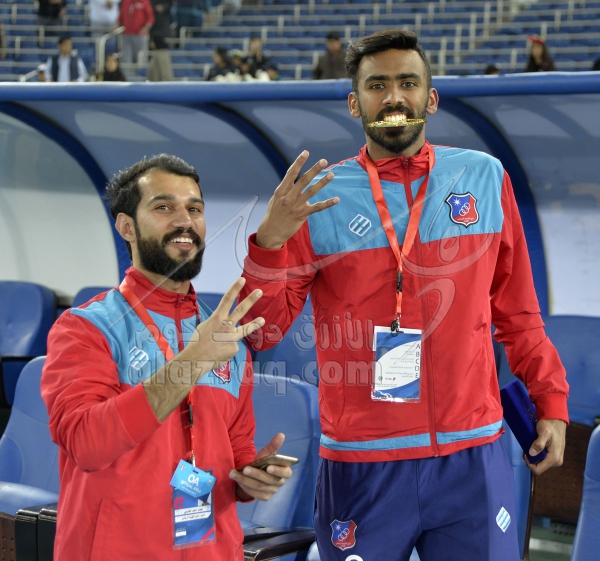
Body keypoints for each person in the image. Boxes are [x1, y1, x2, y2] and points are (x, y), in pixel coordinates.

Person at [240, 29, 569, 561]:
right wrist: (270, 244)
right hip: (362, 462)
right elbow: (266, 331)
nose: (394, 97)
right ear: (355, 103)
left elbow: (519, 313)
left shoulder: (484, 178)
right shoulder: (319, 199)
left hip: (471, 455)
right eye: (377, 86)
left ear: (430, 98)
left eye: (408, 83)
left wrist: (550, 403)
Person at [42, 154, 293, 561]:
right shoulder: (85, 328)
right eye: (164, 207)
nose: (184, 221)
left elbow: (236, 447)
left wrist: (252, 478)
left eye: (194, 209)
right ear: (126, 226)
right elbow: (86, 444)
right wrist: (192, 362)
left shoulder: (223, 334)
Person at [118, 0, 155, 66]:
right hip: (127, 34)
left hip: (140, 35)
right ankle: (126, 72)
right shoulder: (125, 2)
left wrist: (146, 28)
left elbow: (150, 17)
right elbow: (121, 16)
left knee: (141, 57)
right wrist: (116, 25)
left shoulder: (144, 2)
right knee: (126, 57)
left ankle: (142, 72)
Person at [148, 0, 175, 81]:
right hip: (153, 27)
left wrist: (164, 6)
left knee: (162, 53)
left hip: (164, 29)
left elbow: (172, 2)